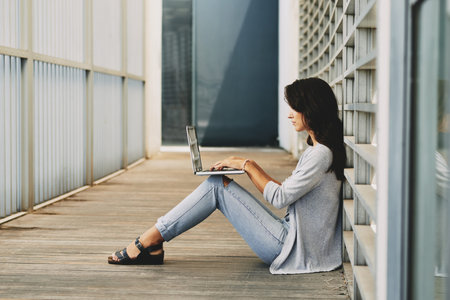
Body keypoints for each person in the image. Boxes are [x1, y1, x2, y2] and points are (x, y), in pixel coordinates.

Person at [108, 77, 346, 274]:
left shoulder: (320, 155)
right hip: (293, 239)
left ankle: (148, 241)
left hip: (290, 248)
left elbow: (280, 198)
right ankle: (153, 241)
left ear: (312, 109)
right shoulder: (320, 151)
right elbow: (287, 192)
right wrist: (245, 167)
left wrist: (247, 165)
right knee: (218, 183)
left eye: (295, 107)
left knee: (216, 186)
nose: (290, 114)